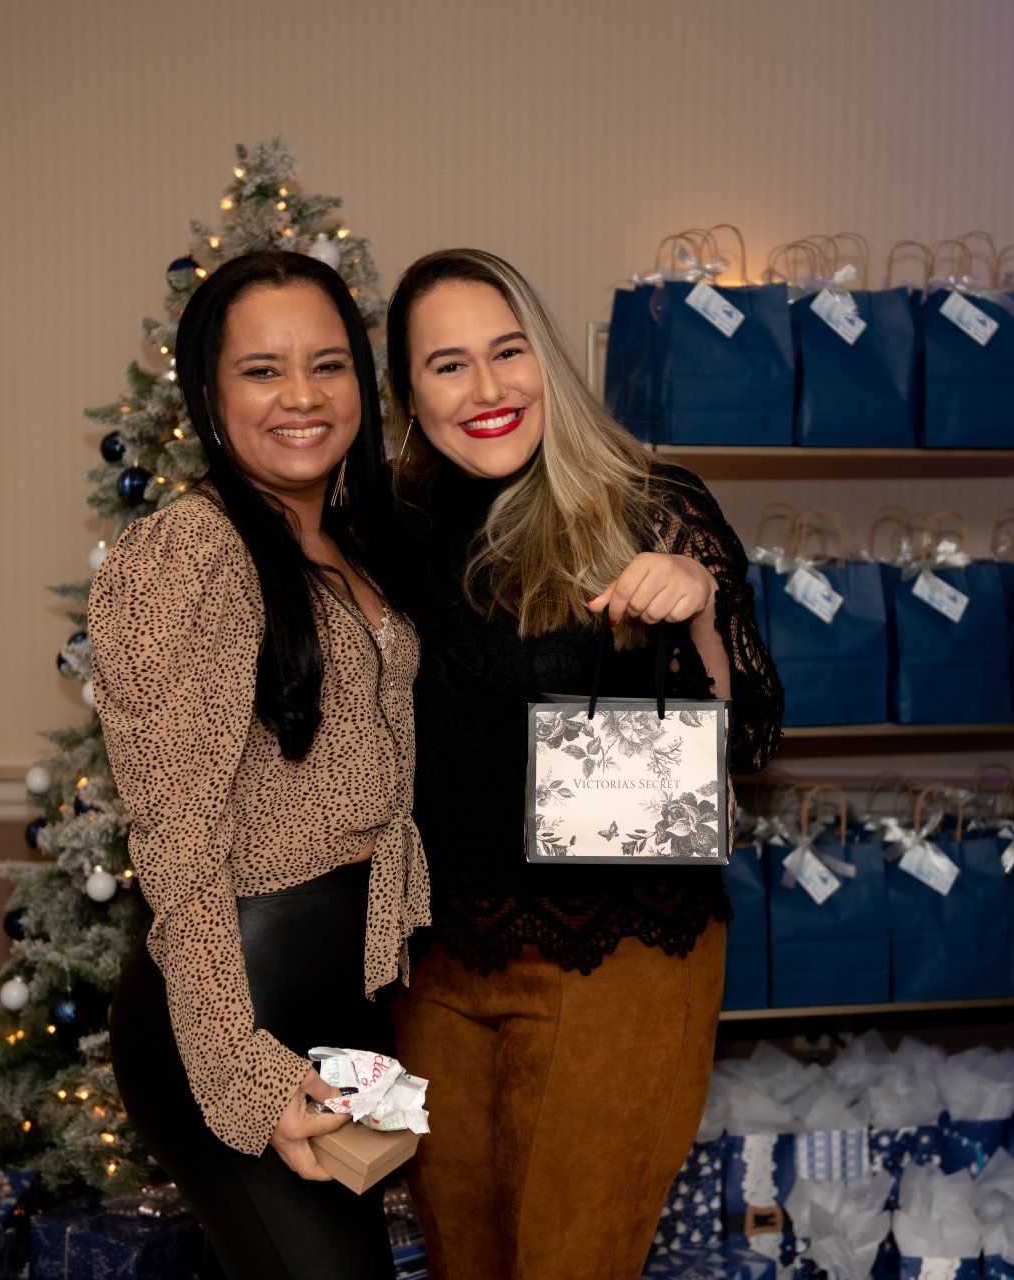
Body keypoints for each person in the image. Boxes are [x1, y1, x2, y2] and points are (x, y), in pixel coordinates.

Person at [383, 248, 783, 1279]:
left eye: (509, 351)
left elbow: (751, 739)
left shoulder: (647, 504)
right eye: (449, 364)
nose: (488, 388)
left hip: (621, 949)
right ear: (408, 392)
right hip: (436, 965)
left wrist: (698, 611)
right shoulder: (388, 525)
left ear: (547, 359)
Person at [88, 249, 428, 1279]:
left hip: (342, 999)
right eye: (263, 370)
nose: (303, 396)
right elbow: (177, 845)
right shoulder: (190, 552)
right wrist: (245, 1072)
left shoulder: (350, 541)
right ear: (207, 390)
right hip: (237, 1007)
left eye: (328, 364)